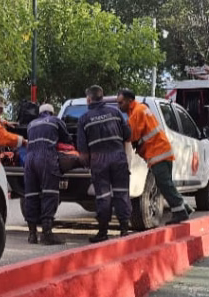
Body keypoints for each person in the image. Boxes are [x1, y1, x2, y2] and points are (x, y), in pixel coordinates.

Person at [118, 88, 190, 224]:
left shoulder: (137, 113)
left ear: (129, 101)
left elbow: (132, 136)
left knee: (164, 184)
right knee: (166, 183)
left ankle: (180, 212)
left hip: (157, 153)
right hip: (162, 151)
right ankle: (184, 207)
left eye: (121, 103)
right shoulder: (140, 109)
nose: (119, 106)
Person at [76, 85, 131, 243]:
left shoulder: (84, 119)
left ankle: (103, 232)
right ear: (102, 97)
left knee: (103, 197)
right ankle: (124, 230)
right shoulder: (115, 112)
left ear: (89, 99)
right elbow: (128, 134)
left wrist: (86, 164)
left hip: (99, 160)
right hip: (118, 157)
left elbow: (83, 149)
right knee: (121, 193)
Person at [23, 103, 71, 245]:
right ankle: (47, 234)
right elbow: (67, 139)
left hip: (29, 160)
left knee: (31, 195)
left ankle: (32, 235)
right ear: (52, 112)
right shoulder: (56, 121)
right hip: (46, 158)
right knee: (49, 194)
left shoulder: (31, 124)